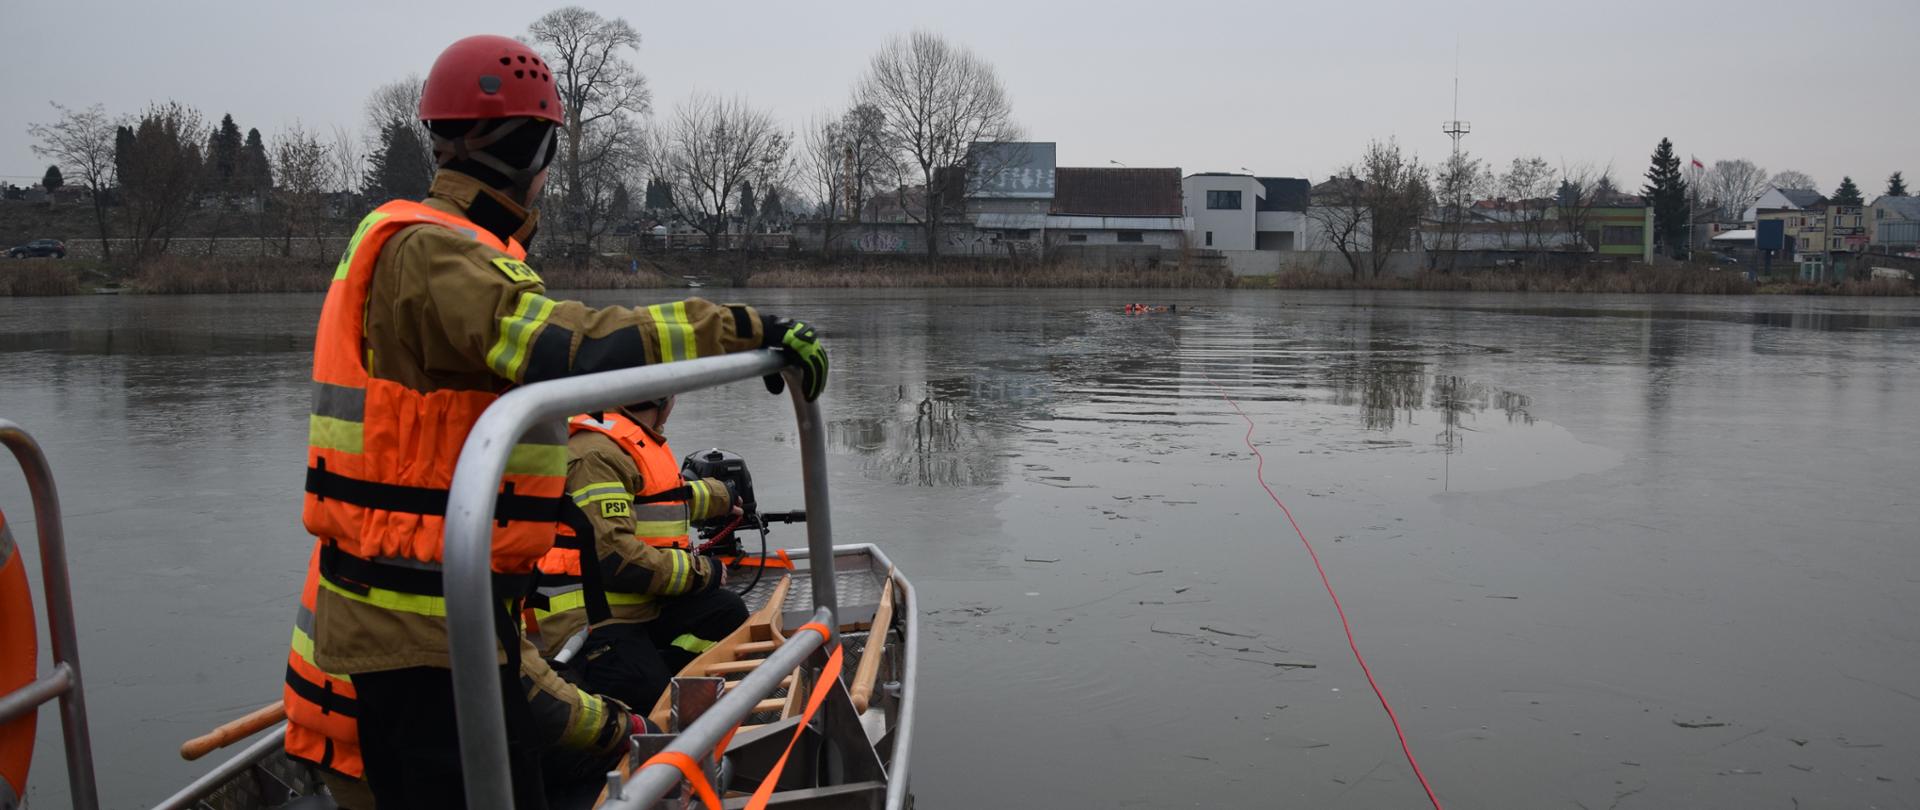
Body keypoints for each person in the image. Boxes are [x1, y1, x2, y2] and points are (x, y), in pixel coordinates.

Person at [279, 34, 829, 810]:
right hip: (422, 636)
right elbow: (570, 347)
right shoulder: (433, 252)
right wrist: (744, 330)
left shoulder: (430, 244)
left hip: (442, 619)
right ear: (537, 150)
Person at [529, 396, 747, 712]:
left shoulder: (630, 441)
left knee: (727, 612)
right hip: (592, 619)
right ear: (663, 398)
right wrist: (701, 571)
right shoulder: (597, 454)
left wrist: (722, 496)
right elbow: (615, 557)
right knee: (648, 691)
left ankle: (663, 671)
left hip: (640, 605)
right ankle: (646, 686)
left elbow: (663, 498)